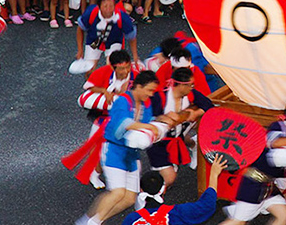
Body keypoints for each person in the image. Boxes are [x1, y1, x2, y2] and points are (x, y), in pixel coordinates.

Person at [76, 71, 162, 225]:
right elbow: (122, 124)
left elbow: (149, 123)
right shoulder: (122, 101)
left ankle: (93, 220)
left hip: (132, 154)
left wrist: (157, 125)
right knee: (117, 192)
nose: (151, 94)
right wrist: (148, 127)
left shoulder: (145, 104)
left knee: (129, 198)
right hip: (114, 151)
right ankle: (93, 223)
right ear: (139, 86)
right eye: (149, 90)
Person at [221, 99, 286, 225]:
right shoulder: (279, 126)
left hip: (267, 186)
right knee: (237, 222)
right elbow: (274, 142)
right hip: (253, 184)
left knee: (284, 216)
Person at [76, 49, 136, 189]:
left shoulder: (136, 75)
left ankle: (123, 176)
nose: (126, 71)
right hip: (104, 117)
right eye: (121, 68)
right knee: (98, 147)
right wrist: (105, 91)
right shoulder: (103, 72)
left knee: (126, 147)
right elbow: (89, 88)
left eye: (128, 67)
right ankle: (95, 174)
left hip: (125, 119)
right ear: (112, 67)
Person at [147, 67, 214, 188]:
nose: (193, 88)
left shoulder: (191, 95)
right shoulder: (160, 98)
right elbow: (145, 117)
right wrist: (162, 117)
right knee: (168, 177)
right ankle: (147, 195)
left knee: (168, 177)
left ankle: (157, 189)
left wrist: (195, 113)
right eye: (191, 85)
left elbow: (208, 105)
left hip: (177, 140)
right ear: (182, 85)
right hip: (158, 143)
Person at [121, 154, 227, 225]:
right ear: (164, 189)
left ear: (141, 190)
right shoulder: (177, 213)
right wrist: (214, 174)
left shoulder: (131, 219)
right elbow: (207, 205)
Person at [76, 0, 139, 72]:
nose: (108, 9)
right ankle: (91, 84)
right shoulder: (91, 12)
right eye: (105, 6)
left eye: (111, 6)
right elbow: (80, 29)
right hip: (94, 41)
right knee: (89, 70)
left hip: (114, 42)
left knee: (111, 68)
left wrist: (135, 56)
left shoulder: (122, 17)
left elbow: (132, 37)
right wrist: (80, 50)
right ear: (99, 6)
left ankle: (110, 84)